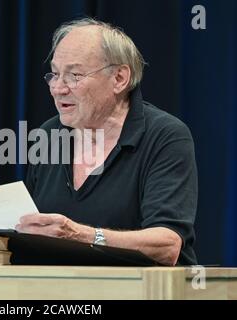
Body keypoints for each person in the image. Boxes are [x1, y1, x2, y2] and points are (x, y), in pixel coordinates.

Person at [16, 18, 198, 266]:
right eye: (55, 74)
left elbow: (167, 245)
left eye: (74, 75)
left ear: (119, 78)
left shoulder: (165, 135)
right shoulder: (49, 134)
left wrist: (81, 235)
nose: (57, 88)